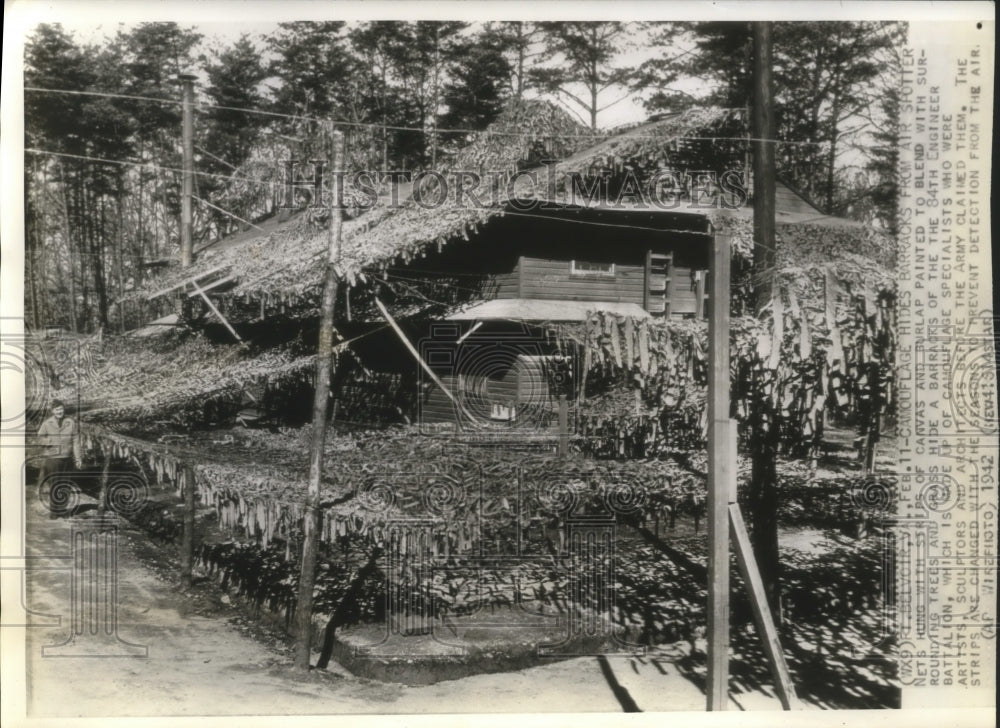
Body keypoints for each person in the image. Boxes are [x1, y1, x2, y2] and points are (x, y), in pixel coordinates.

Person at [36, 399, 81, 517]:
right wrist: (49, 441)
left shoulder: (70, 422)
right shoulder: (47, 423)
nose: (60, 411)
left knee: (65, 485)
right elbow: (39, 437)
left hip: (67, 458)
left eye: (61, 409)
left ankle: (62, 510)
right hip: (53, 459)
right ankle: (54, 511)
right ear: (52, 411)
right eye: (57, 409)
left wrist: (78, 458)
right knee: (55, 484)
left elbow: (76, 441)